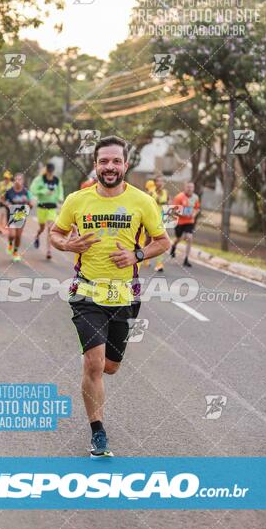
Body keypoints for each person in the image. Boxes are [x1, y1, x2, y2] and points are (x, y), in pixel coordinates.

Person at [50, 136, 171, 457]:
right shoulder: (77, 200)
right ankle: (98, 432)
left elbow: (163, 241)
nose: (110, 167)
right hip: (86, 293)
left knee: (111, 367)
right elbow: (56, 233)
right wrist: (66, 245)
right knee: (94, 364)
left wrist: (137, 255)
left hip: (125, 296)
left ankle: (97, 363)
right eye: (104, 161)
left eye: (116, 161)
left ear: (125, 165)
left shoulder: (143, 202)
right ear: (95, 165)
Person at [30, 162, 64, 260]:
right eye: (49, 171)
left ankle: (49, 251)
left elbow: (60, 190)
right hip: (42, 207)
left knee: (50, 228)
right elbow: (33, 190)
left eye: (51, 171)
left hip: (52, 208)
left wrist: (60, 198)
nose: (50, 173)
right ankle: (37, 235)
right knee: (42, 228)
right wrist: (44, 191)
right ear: (47, 170)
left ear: (53, 171)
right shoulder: (40, 179)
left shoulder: (57, 180)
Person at [2, 172, 33, 261]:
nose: (18, 181)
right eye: (16, 179)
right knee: (12, 235)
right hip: (11, 214)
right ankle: (10, 244)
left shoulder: (26, 192)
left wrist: (29, 205)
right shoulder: (9, 191)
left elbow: (30, 204)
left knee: (18, 236)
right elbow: (3, 200)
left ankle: (15, 252)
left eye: (20, 179)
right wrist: (6, 204)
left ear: (23, 181)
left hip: (21, 214)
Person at [170, 182, 200, 268]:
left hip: (190, 222)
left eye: (191, 187)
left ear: (193, 188)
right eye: (188, 187)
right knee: (179, 238)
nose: (190, 189)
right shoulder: (179, 197)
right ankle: (174, 246)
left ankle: (186, 259)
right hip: (179, 222)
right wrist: (183, 214)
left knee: (189, 237)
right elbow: (174, 210)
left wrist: (194, 214)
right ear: (184, 188)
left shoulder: (195, 197)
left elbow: (197, 208)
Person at [144, 174, 169, 271]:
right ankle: (145, 257)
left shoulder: (166, 192)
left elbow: (168, 205)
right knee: (148, 239)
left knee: (161, 240)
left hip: (161, 219)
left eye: (162, 181)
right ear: (155, 183)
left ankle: (159, 264)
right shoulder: (150, 193)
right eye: (158, 181)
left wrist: (169, 220)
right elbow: (145, 205)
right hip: (150, 218)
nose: (160, 183)